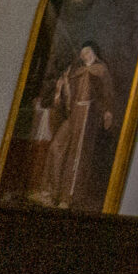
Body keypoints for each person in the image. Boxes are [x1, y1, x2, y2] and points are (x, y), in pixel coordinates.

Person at [34, 41, 118, 210]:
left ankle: (67, 197)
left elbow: (107, 94)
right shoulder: (77, 72)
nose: (85, 56)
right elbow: (67, 97)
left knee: (76, 155)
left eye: (88, 52)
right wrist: (64, 84)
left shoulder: (101, 70)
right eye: (82, 53)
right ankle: (50, 191)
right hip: (74, 114)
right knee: (56, 146)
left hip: (88, 116)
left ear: (94, 53)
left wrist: (107, 112)